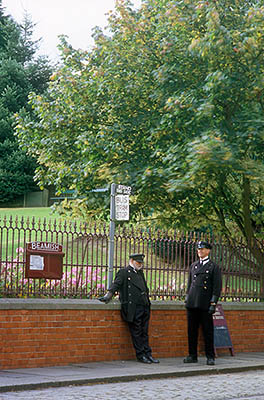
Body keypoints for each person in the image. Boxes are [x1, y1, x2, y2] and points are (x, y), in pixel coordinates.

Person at [98, 253, 159, 364]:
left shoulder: (140, 273)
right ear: (131, 260)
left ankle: (148, 354)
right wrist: (108, 295)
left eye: (141, 263)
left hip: (144, 306)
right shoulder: (124, 272)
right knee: (137, 332)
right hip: (133, 307)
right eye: (138, 262)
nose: (140, 265)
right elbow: (116, 284)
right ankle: (141, 355)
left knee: (144, 332)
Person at [183, 241, 222, 366]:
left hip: (205, 303)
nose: (200, 251)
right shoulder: (194, 265)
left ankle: (210, 356)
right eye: (199, 249)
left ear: (208, 251)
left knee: (207, 331)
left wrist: (213, 303)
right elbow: (190, 285)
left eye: (203, 249)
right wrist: (187, 298)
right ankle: (192, 355)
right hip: (193, 302)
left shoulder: (213, 267)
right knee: (191, 331)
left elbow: (217, 287)